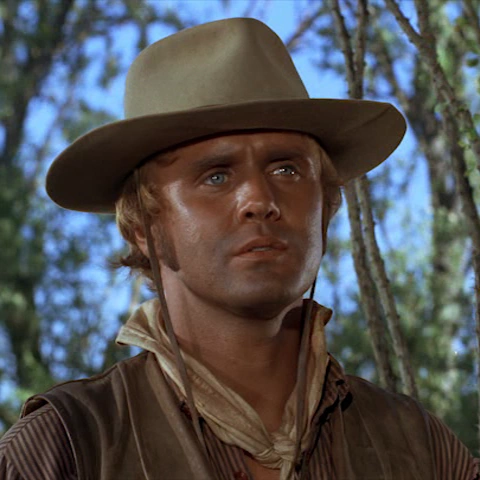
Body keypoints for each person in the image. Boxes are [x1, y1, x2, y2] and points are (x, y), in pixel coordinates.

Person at [0, 17, 478, 480]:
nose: (260, 200)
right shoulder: (70, 446)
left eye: (287, 169)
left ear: (326, 207)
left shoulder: (419, 446)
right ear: (143, 227)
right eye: (216, 176)